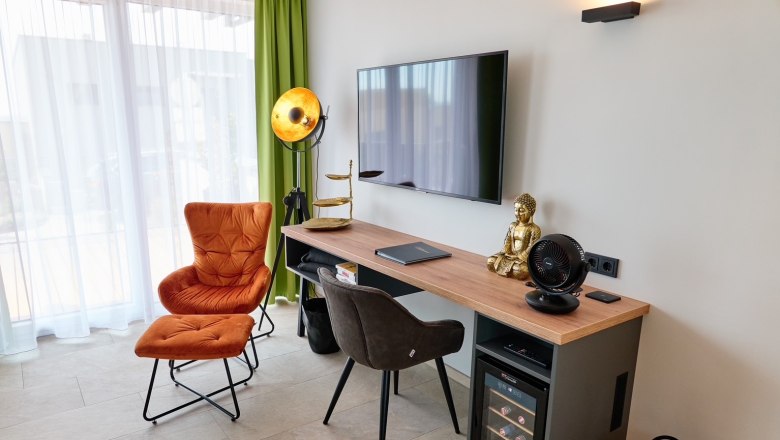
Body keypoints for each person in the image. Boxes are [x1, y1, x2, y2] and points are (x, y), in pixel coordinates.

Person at [487, 193, 541, 280]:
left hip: (522, 259)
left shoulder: (534, 229)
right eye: (516, 210)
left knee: (521, 270)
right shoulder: (513, 225)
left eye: (521, 210)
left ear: (531, 211)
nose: (517, 213)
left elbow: (532, 247)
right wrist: (506, 252)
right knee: (490, 261)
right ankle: (509, 268)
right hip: (509, 255)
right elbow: (507, 241)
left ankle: (513, 269)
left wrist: (519, 257)